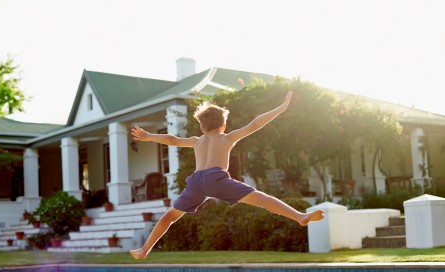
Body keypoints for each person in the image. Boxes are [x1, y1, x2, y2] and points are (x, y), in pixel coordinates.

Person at [129, 91, 324, 259]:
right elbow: (255, 124)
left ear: (202, 127)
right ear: (222, 125)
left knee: (170, 216)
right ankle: (299, 216)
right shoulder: (228, 137)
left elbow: (173, 139)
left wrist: (149, 136)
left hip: (196, 182)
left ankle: (145, 249)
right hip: (216, 178)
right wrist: (281, 108)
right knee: (262, 199)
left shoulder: (197, 141)